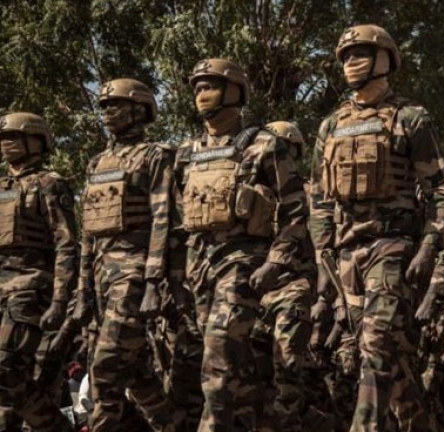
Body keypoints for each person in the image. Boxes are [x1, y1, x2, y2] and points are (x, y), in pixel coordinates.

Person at [309, 24, 444, 430]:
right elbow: (319, 199)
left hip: (392, 249)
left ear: (385, 59)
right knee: (393, 365)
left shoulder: (410, 118)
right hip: (346, 257)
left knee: (375, 352)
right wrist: (323, 257)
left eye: (359, 53)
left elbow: (442, 189)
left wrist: (428, 247)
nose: (350, 62)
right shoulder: (330, 126)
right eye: (345, 56)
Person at [175, 58, 310, 431]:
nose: (201, 94)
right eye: (197, 87)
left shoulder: (264, 144)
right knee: (241, 373)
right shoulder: (186, 153)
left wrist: (275, 262)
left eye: (210, 86)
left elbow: (295, 210)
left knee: (217, 363)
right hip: (200, 270)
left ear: (234, 91)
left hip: (242, 265)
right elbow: (177, 221)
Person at [78, 77, 176, 432]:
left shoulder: (155, 155)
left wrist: (152, 281)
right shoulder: (96, 163)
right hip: (101, 278)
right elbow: (88, 232)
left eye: (115, 104)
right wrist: (82, 290)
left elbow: (163, 219)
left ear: (139, 109)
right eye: (103, 105)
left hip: (133, 275)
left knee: (105, 368)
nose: (107, 111)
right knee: (136, 374)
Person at [0, 112, 78, 432]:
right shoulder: (1, 186)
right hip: (2, 290)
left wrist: (60, 299)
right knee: (8, 400)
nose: (5, 143)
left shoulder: (49, 184)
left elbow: (66, 244)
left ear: (35, 141)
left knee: (6, 371)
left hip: (30, 290)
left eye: (13, 137)